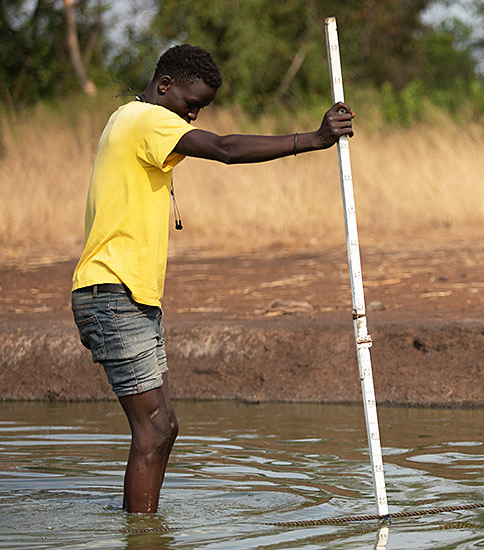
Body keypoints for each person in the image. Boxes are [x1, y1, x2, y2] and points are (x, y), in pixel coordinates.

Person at [70, 44, 355, 513]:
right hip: (112, 292)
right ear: (165, 86)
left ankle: (144, 528)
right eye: (190, 105)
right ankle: (141, 537)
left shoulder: (131, 120)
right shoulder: (145, 120)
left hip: (125, 295)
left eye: (200, 109)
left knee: (164, 428)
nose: (193, 116)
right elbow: (224, 148)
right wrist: (314, 138)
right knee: (154, 428)